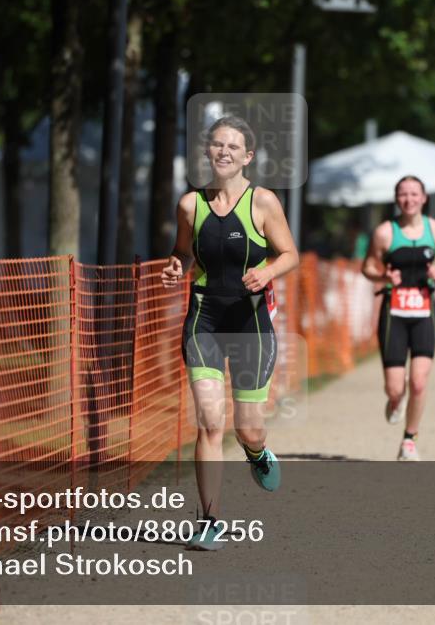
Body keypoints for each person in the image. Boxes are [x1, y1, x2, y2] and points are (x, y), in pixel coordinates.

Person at [161, 115, 298, 550]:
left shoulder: (263, 203)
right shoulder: (189, 206)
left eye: (233, 147)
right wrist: (174, 268)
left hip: (250, 322)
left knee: (248, 428)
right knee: (208, 421)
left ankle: (257, 452)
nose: (224, 152)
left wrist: (268, 271)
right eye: (217, 145)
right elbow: (182, 254)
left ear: (248, 157)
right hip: (204, 318)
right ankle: (209, 520)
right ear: (207, 151)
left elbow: (290, 253)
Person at [361, 176, 435, 461]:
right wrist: (382, 275)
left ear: (424, 198)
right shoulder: (384, 233)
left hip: (424, 313)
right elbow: (367, 266)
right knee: (395, 387)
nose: (409, 199)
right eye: (403, 194)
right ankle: (395, 400)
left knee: (418, 382)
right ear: (396, 199)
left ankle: (409, 439)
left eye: (414, 194)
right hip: (394, 314)